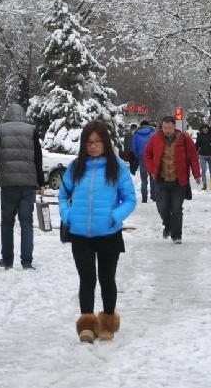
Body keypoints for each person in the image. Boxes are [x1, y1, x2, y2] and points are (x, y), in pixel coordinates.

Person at [59, 120, 137, 344]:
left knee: (106, 278)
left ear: (106, 143)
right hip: (80, 234)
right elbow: (63, 195)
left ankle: (108, 322)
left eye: (97, 142)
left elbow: (129, 199)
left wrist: (116, 216)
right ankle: (86, 324)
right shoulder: (76, 167)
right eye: (89, 142)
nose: (93, 146)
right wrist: (68, 215)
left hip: (109, 233)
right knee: (87, 278)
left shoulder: (117, 167)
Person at [0, 103, 45, 270]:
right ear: (23, 115)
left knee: (7, 223)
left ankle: (7, 260)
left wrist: (1, 168)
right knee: (26, 223)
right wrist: (41, 182)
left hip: (8, 185)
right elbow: (38, 158)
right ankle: (27, 261)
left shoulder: (1, 130)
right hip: (28, 184)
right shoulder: (31, 130)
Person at [143, 115, 200, 244]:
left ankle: (177, 235)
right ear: (161, 127)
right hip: (161, 180)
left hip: (178, 181)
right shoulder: (155, 138)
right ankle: (168, 225)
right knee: (162, 207)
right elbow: (147, 154)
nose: (167, 130)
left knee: (176, 208)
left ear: (175, 127)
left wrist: (197, 174)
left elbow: (193, 157)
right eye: (164, 127)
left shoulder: (185, 139)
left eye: (169, 127)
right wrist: (151, 169)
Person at [129, 120, 156, 203]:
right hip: (152, 158)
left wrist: (139, 156)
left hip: (142, 157)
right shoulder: (153, 134)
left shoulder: (136, 135)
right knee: (152, 178)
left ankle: (144, 198)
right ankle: (154, 196)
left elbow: (134, 148)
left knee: (143, 179)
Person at [195, 124, 211, 190]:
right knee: (203, 169)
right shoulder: (200, 136)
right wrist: (195, 152)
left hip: (210, 155)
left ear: (208, 129)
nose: (205, 129)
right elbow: (197, 145)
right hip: (202, 155)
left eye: (206, 128)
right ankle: (204, 184)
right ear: (202, 129)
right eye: (203, 128)